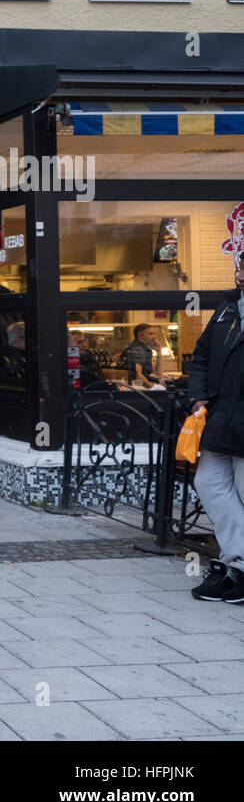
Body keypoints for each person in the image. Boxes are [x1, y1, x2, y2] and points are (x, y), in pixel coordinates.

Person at [186, 254, 244, 603]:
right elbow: (202, 354)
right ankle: (237, 563)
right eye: (239, 268)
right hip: (221, 416)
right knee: (208, 483)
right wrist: (198, 397)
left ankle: (234, 566)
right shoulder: (227, 307)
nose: (239, 275)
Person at [124, 323, 164, 388]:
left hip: (141, 386)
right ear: (140, 336)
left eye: (154, 334)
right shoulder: (138, 350)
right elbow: (138, 375)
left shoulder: (145, 350)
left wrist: (159, 352)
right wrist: (152, 387)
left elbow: (158, 373)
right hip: (137, 389)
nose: (154, 337)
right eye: (150, 334)